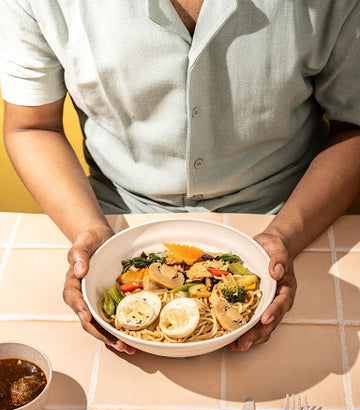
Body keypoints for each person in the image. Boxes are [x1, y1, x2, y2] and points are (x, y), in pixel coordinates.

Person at [1, 0, 359, 355]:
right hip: (113, 216)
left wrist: (286, 234)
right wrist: (88, 230)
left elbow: (353, 127)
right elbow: (31, 127)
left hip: (290, 213)